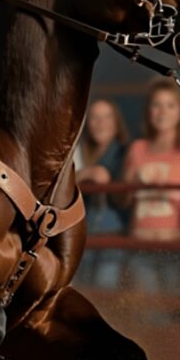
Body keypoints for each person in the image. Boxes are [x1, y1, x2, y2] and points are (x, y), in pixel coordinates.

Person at [120, 79, 180, 297]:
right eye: (157, 105)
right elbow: (124, 199)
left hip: (176, 247)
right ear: (148, 111)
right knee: (146, 315)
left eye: (170, 105)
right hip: (140, 245)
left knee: (175, 313)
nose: (162, 112)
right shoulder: (137, 149)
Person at [73, 99, 130, 289]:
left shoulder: (126, 152)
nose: (101, 123)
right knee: (81, 289)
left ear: (116, 122)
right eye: (95, 118)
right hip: (83, 235)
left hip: (113, 234)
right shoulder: (78, 152)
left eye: (107, 117)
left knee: (106, 289)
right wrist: (87, 174)